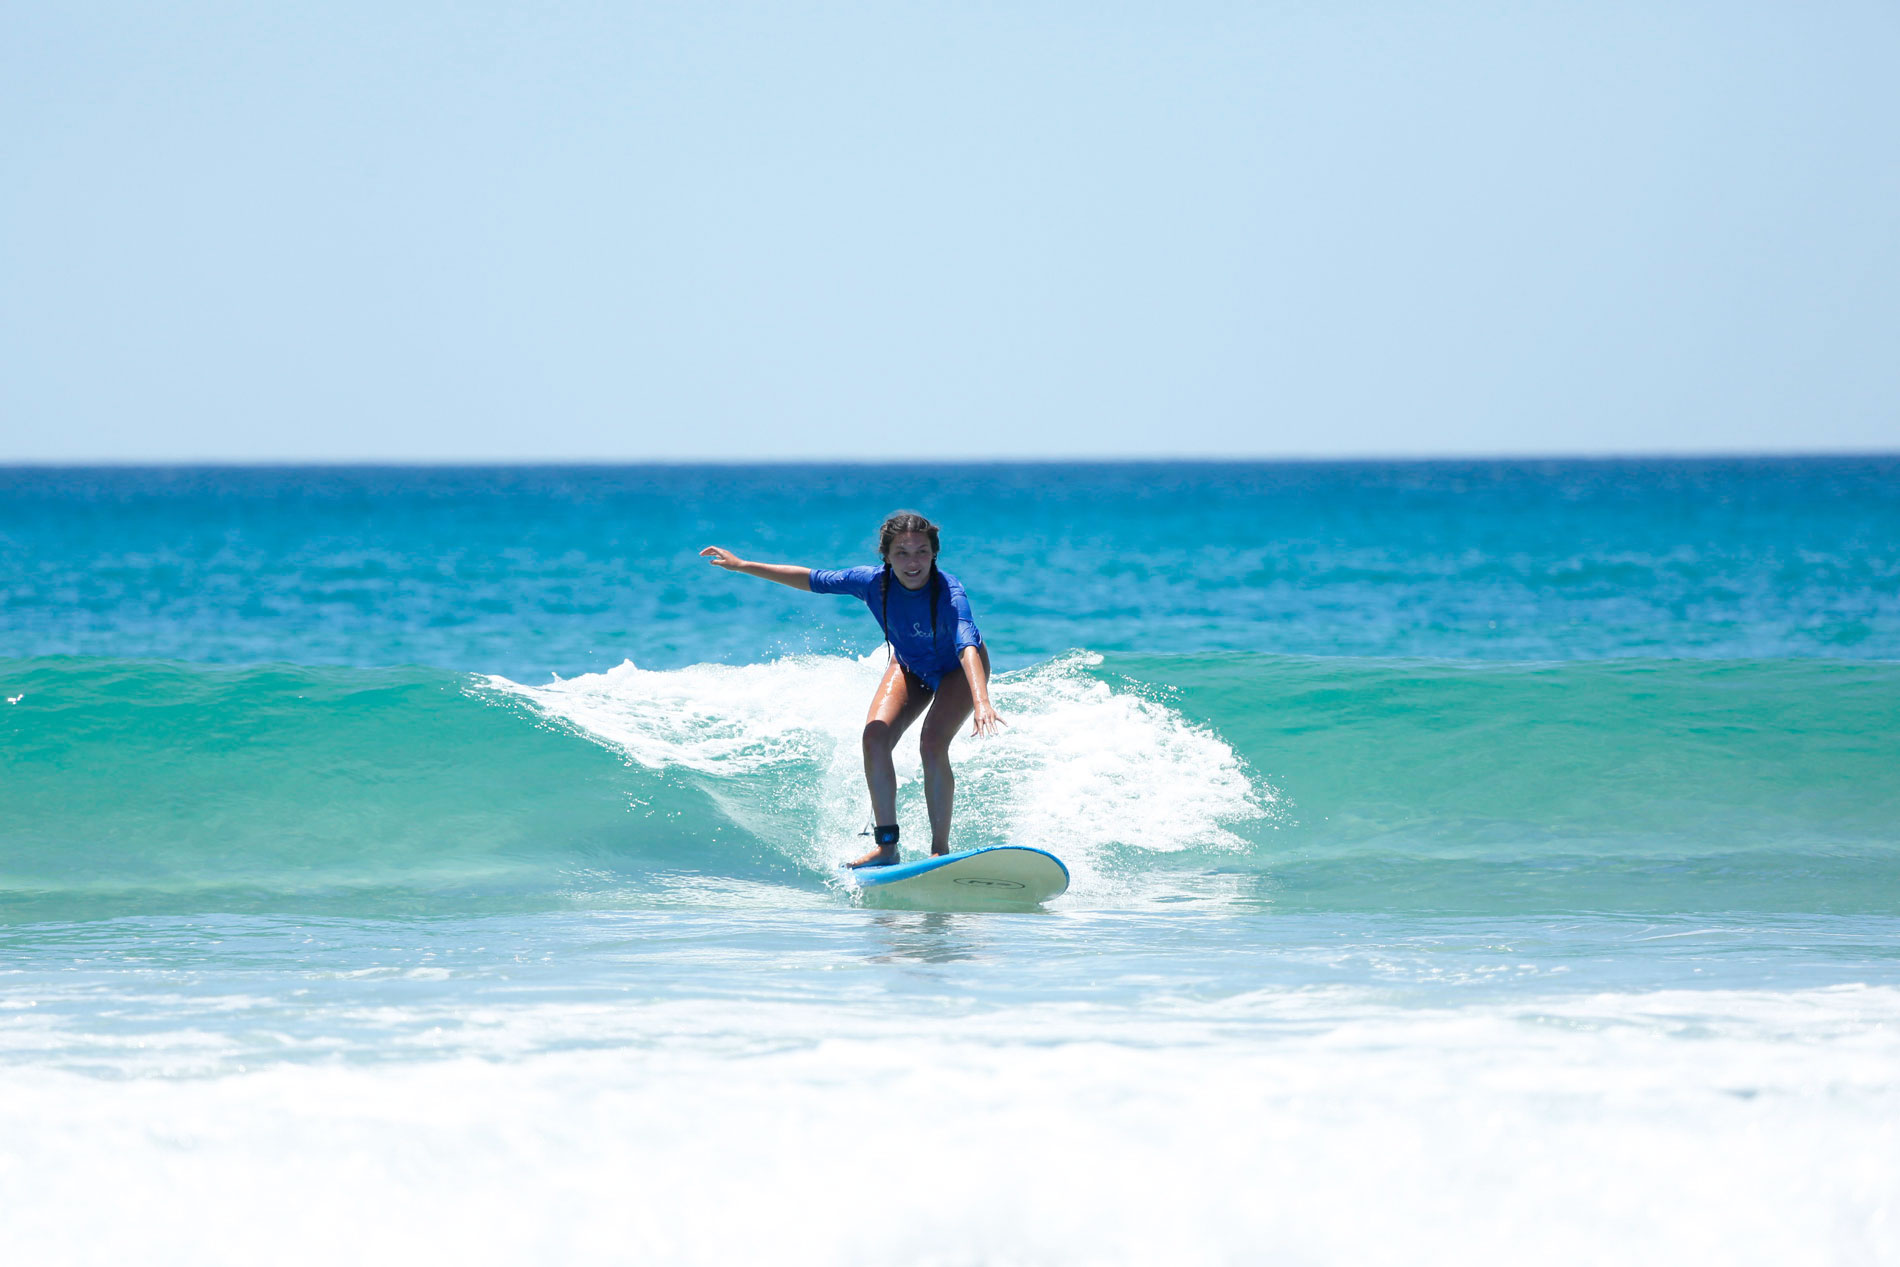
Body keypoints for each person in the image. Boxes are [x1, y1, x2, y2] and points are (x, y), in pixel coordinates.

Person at [700, 510, 1003, 867]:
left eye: (922, 551)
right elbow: (812, 579)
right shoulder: (872, 582)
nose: (913, 563)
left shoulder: (949, 592)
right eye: (902, 553)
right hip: (910, 666)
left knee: (932, 742)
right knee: (874, 737)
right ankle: (886, 847)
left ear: (934, 553)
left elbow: (966, 644)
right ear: (886, 556)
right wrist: (743, 566)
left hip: (960, 671)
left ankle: (940, 850)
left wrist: (982, 701)